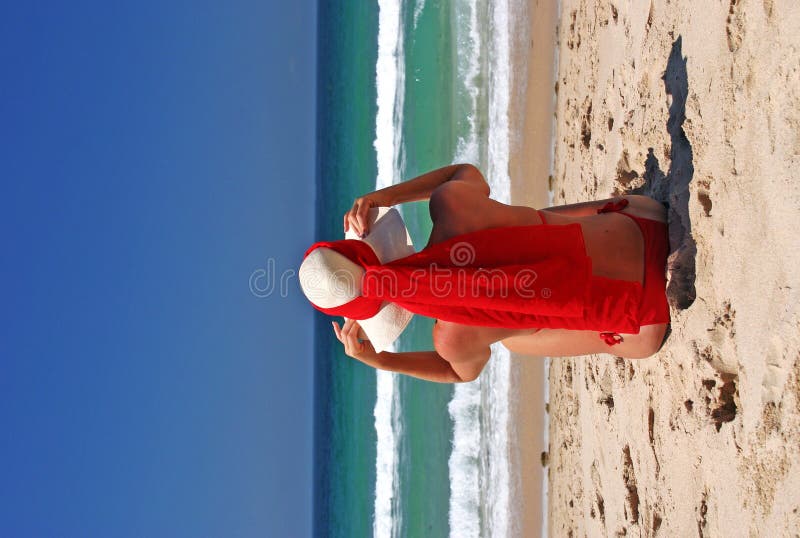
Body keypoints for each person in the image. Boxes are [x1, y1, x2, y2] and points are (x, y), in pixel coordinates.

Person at [299, 164, 670, 383]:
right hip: (645, 221)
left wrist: (383, 360)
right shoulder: (452, 205)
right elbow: (463, 171)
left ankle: (602, 320)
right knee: (529, 228)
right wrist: (385, 197)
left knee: (510, 334)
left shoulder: (452, 338)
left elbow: (459, 374)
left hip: (644, 318)